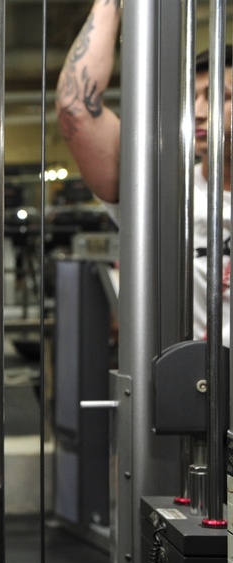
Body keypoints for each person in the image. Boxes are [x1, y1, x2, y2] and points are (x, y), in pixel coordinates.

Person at [56, 0, 232, 345]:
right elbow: (76, 106)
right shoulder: (163, 194)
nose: (197, 112)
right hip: (198, 388)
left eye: (217, 96)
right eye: (192, 97)